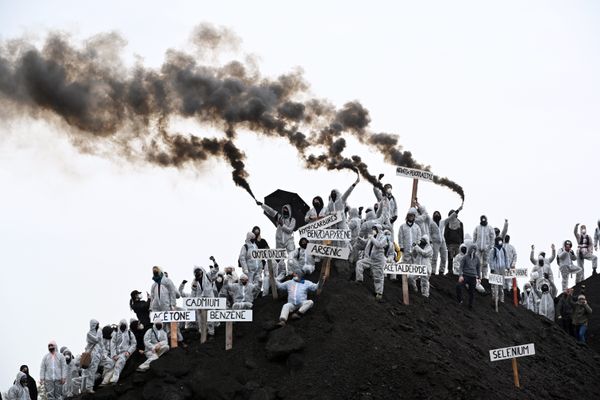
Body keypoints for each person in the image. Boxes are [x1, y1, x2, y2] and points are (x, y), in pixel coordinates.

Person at [179, 265, 219, 337]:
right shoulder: (194, 282)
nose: (197, 273)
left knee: (210, 317)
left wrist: (214, 261)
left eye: (198, 271)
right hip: (199, 302)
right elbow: (193, 293)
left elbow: (216, 270)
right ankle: (202, 333)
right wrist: (193, 299)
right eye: (195, 272)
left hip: (209, 301)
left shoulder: (207, 276)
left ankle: (211, 333)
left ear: (202, 271)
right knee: (200, 319)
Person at [355, 224, 390, 301]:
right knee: (359, 263)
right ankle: (359, 280)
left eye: (374, 229)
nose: (373, 230)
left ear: (378, 229)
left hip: (378, 261)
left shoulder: (383, 237)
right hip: (370, 258)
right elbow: (366, 242)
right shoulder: (372, 237)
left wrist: (371, 238)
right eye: (373, 229)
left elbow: (379, 245)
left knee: (378, 277)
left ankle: (379, 293)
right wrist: (360, 239)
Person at [149, 265, 181, 343]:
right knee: (160, 324)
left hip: (167, 305)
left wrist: (173, 304)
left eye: (156, 270)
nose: (155, 271)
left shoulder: (167, 281)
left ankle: (177, 340)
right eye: (154, 270)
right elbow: (152, 297)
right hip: (157, 307)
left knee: (172, 324)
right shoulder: (154, 285)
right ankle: (163, 341)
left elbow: (172, 293)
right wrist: (151, 307)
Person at [108, 319, 137, 384]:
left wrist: (129, 352)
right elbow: (112, 345)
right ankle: (105, 381)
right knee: (110, 366)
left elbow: (134, 344)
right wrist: (114, 355)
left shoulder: (129, 333)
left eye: (124, 325)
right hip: (116, 354)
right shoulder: (115, 334)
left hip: (125, 353)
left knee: (119, 364)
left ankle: (114, 380)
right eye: (122, 325)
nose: (123, 326)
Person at [456, 244, 481, 309]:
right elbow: (461, 267)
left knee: (472, 292)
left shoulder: (477, 258)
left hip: (473, 277)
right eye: (472, 249)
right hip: (465, 275)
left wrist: (479, 277)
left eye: (474, 250)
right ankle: (460, 300)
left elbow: (478, 268)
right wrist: (460, 275)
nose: (473, 251)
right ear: (469, 249)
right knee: (458, 286)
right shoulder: (465, 257)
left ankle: (470, 305)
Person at [82, 320, 102, 394]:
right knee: (91, 372)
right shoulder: (89, 334)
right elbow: (97, 340)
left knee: (93, 372)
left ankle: (89, 387)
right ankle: (89, 388)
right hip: (91, 356)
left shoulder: (97, 333)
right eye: (97, 324)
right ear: (94, 325)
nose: (98, 326)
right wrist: (99, 333)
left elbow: (100, 344)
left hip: (96, 356)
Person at [488, 237, 510, 304]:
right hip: (495, 269)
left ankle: (501, 300)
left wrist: (508, 266)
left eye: (501, 241)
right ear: (497, 242)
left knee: (501, 284)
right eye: (500, 241)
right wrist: (492, 268)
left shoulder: (503, 250)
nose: (501, 243)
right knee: (495, 284)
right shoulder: (493, 250)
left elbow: (506, 258)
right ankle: (495, 298)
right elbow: (490, 260)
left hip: (502, 269)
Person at [473, 215, 495, 279]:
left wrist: (491, 246)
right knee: (478, 262)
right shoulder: (477, 227)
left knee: (485, 262)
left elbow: (492, 237)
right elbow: (474, 236)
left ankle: (484, 276)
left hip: (487, 248)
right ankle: (478, 275)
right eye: (482, 219)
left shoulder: (489, 228)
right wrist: (474, 245)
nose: (483, 220)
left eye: (484, 219)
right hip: (478, 247)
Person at [444, 209, 464, 275]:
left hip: (458, 243)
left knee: (458, 258)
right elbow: (445, 234)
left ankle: (457, 271)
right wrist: (446, 243)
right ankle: (450, 270)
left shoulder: (460, 223)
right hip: (450, 244)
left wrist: (462, 243)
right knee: (450, 257)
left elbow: (462, 234)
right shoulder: (448, 223)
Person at [429, 211, 447, 275]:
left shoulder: (442, 222)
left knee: (444, 256)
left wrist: (458, 210)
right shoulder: (431, 223)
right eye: (435, 214)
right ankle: (433, 271)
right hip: (435, 242)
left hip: (442, 241)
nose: (437, 215)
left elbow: (450, 217)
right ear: (433, 215)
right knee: (434, 257)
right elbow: (429, 233)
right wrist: (430, 241)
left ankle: (441, 271)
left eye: (438, 213)